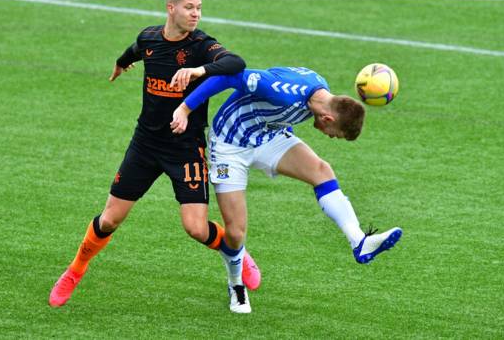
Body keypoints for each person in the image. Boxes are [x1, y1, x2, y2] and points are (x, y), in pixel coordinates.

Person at [49, 0, 261, 308]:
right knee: (109, 220)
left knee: (194, 228)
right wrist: (121, 63)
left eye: (199, 8)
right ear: (171, 8)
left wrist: (198, 71)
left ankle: (236, 251)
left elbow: (237, 63)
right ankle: (75, 271)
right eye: (189, 7)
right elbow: (135, 50)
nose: (195, 14)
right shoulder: (149, 38)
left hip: (186, 148)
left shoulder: (202, 45)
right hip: (145, 145)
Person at [171, 66, 403, 313]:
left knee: (321, 171)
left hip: (268, 137)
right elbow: (230, 75)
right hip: (231, 145)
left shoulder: (319, 93)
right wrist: (185, 109)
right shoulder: (283, 91)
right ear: (328, 119)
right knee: (236, 232)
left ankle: (359, 242)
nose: (330, 137)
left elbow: (284, 113)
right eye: (334, 135)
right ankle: (236, 284)